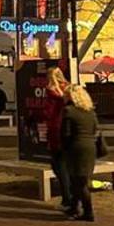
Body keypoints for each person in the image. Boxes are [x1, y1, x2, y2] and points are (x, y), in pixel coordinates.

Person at [60, 84, 100, 222]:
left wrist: (63, 148)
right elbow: (96, 130)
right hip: (90, 148)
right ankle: (74, 207)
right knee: (81, 179)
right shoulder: (90, 112)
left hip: (76, 148)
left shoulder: (68, 111)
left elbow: (66, 134)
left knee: (78, 182)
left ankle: (88, 212)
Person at [45, 67, 73, 213]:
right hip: (67, 128)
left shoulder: (50, 91)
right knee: (66, 165)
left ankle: (67, 198)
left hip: (56, 130)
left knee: (58, 166)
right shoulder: (68, 89)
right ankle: (71, 197)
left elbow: (49, 112)